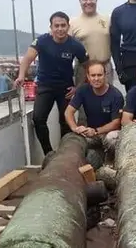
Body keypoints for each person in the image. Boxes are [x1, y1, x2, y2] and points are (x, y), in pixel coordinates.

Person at [14, 11, 88, 155]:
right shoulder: (42, 41)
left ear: (68, 26)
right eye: (56, 26)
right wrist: (21, 76)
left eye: (63, 25)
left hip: (65, 89)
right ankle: (48, 153)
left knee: (66, 122)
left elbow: (86, 66)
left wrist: (77, 87)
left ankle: (63, 153)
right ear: (51, 27)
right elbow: (27, 59)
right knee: (38, 119)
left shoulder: (75, 45)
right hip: (45, 86)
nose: (60, 29)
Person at [63, 60, 124, 154]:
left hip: (109, 133)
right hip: (90, 134)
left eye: (99, 75)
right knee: (71, 141)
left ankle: (112, 162)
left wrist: (95, 131)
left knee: (112, 139)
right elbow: (68, 112)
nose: (96, 79)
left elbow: (116, 123)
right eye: (93, 75)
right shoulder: (82, 90)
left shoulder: (116, 95)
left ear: (105, 75)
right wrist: (75, 128)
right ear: (88, 76)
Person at [69, 0, 112, 86]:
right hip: (83, 70)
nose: (88, 2)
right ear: (80, 1)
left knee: (107, 100)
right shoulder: (72, 23)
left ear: (96, 0)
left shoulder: (108, 20)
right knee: (83, 100)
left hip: (105, 68)